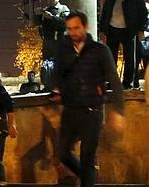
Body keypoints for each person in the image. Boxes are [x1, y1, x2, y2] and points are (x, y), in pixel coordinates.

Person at [52, 10, 125, 187]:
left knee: (87, 157)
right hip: (70, 109)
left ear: (85, 26)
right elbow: (57, 73)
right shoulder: (64, 49)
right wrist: (56, 89)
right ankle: (87, 178)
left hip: (92, 110)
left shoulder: (99, 50)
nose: (73, 32)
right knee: (62, 153)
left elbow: (114, 80)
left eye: (76, 28)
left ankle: (87, 179)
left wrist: (118, 111)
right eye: (69, 29)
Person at [98, 0, 148, 89]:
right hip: (112, 30)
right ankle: (112, 82)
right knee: (111, 58)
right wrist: (102, 30)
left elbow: (143, 14)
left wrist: (141, 30)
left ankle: (128, 83)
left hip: (129, 31)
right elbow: (105, 14)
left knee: (130, 58)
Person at [29, 0, 70, 91]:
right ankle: (48, 85)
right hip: (47, 42)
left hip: (59, 41)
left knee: (59, 64)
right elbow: (36, 23)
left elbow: (66, 23)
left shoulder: (63, 9)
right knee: (46, 65)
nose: (49, 1)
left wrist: (52, 18)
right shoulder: (45, 10)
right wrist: (32, 14)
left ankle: (60, 85)